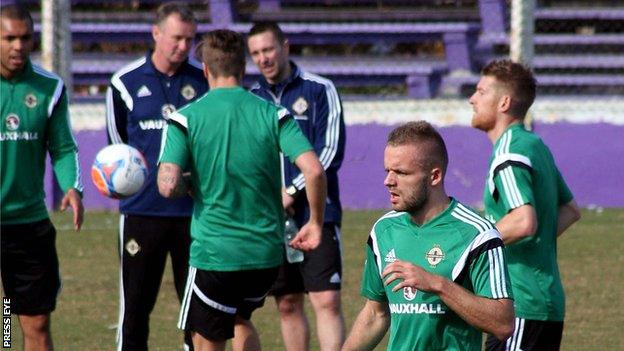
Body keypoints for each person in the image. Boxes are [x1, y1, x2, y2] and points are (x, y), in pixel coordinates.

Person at [157, 29, 327, 351]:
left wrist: (189, 184)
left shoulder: (185, 118)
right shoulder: (272, 114)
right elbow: (314, 170)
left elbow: (167, 185)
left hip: (216, 255)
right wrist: (315, 222)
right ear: (243, 67)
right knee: (238, 318)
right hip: (265, 255)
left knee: (204, 335)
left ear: (205, 70)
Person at [342, 121, 514, 351]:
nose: (389, 181)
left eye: (401, 173)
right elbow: (375, 313)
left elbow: (503, 323)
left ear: (434, 176)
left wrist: (436, 284)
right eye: (388, 171)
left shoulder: (477, 234)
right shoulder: (383, 231)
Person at [105, 2, 207, 350]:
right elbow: (117, 147)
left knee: (196, 310)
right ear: (156, 33)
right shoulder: (123, 83)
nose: (183, 46)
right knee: (134, 308)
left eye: (189, 40)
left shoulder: (203, 79)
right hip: (140, 213)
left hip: (193, 215)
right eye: (177, 38)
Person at [246, 21, 346, 351]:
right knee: (287, 302)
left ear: (285, 47)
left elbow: (329, 151)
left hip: (317, 212)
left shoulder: (320, 89)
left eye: (269, 49)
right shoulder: (251, 98)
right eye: (256, 53)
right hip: (272, 217)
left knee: (327, 299)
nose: (263, 58)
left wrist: (292, 191)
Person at [469, 59, 581, 351]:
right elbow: (570, 210)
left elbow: (523, 220)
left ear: (503, 102)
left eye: (481, 92)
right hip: (545, 302)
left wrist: (471, 247)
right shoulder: (534, 146)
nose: (472, 99)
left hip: (519, 304)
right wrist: (537, 244)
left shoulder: (508, 153)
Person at [1, 4, 84, 351]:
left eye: (25, 38)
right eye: (9, 38)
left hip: (28, 224)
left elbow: (63, 147)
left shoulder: (49, 88)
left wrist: (71, 187)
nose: (18, 46)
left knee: (35, 321)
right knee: (4, 319)